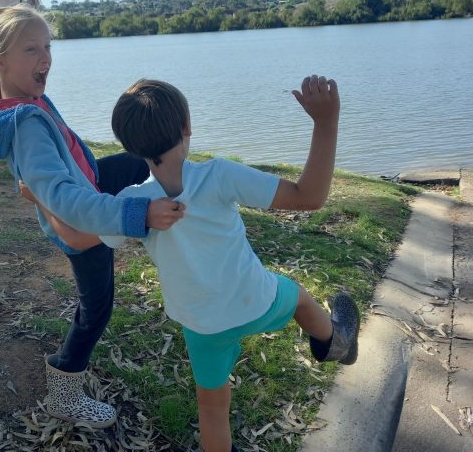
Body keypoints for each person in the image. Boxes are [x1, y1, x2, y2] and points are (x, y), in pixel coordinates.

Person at [28, 77, 359, 452]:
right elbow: (309, 196)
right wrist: (325, 122)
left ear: (128, 146)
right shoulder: (218, 175)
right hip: (255, 300)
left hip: (202, 325)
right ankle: (334, 344)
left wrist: (41, 195)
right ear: (187, 126)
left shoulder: (133, 203)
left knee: (212, 408)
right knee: (298, 297)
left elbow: (74, 238)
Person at [0, 0, 185, 429]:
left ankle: (185, 217)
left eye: (48, 47)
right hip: (82, 218)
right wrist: (135, 215)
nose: (45, 59)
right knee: (95, 310)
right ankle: (64, 392)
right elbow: (62, 197)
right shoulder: (24, 123)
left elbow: (64, 165)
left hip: (92, 183)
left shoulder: (24, 98)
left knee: (144, 158)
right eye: (32, 50)